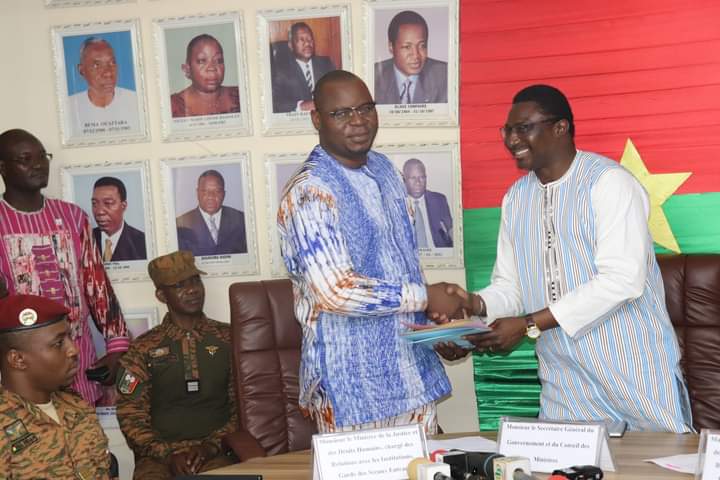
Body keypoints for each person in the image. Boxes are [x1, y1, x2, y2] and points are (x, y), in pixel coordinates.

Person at [434, 85, 692, 432]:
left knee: (657, 460)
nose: (511, 139)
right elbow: (511, 288)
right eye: (507, 130)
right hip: (564, 381)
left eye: (523, 128)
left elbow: (621, 280)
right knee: (564, 461)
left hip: (633, 369)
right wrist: (474, 307)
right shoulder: (516, 198)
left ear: (560, 127)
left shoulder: (609, 183)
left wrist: (528, 324)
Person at [277, 70, 463, 433]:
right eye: (341, 113)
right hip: (352, 389)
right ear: (317, 119)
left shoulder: (385, 170)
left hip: (411, 373)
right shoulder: (309, 191)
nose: (358, 121)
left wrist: (432, 332)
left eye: (365, 108)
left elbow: (403, 264)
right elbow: (335, 291)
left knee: (423, 465)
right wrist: (426, 297)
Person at [0, 129, 129, 406]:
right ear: (3, 168)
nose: (38, 165)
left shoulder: (72, 216)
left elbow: (97, 285)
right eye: (25, 159)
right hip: (24, 374)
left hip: (78, 363)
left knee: (85, 433)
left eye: (42, 157)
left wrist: (117, 346)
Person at [115, 250, 238, 479]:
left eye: (195, 280)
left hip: (217, 453)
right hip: (158, 459)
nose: (193, 290)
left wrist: (210, 447)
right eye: (179, 285)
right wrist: (166, 455)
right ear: (162, 295)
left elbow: (243, 406)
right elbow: (130, 415)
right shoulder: (143, 348)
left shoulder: (229, 338)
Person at [0, 294, 114, 479]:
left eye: (70, 337)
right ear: (18, 359)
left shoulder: (77, 406)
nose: (74, 350)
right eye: (59, 343)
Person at [68, 37, 140, 137]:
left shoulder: (137, 102)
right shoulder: (68, 108)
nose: (108, 73)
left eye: (112, 63)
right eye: (97, 65)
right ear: (81, 70)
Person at [374, 10, 447, 105]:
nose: (416, 55)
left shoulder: (445, 75)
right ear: (391, 47)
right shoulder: (374, 76)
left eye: (422, 46)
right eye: (407, 47)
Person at [176, 169, 247, 256]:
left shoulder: (241, 220)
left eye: (217, 191)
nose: (211, 196)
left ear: (223, 194)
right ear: (197, 193)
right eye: (205, 191)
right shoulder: (180, 224)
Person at [271, 22, 336, 113]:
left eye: (310, 39)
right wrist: (301, 106)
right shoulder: (281, 71)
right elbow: (275, 102)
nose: (307, 43)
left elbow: (337, 91)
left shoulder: (326, 63)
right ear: (291, 45)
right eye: (301, 40)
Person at [171, 34, 240, 118]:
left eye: (218, 60)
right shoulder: (173, 106)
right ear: (187, 69)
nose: (212, 68)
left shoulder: (240, 96)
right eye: (202, 61)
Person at [92, 176, 147, 262]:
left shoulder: (142, 242)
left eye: (108, 203)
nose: (99, 211)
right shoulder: (85, 240)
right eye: (94, 203)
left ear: (123, 206)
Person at [402, 158, 453, 248]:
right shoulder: (395, 204)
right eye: (413, 178)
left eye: (421, 177)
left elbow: (451, 231)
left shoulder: (439, 200)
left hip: (438, 253)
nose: (418, 182)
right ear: (404, 180)